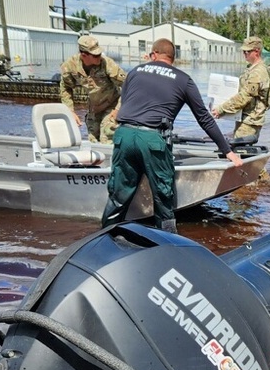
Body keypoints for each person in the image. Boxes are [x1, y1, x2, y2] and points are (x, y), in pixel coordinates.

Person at [101, 38, 243, 233]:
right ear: (173, 59)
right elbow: (204, 118)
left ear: (153, 55)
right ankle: (168, 243)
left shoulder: (134, 72)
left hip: (123, 135)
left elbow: (126, 104)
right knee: (163, 198)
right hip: (152, 141)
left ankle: (104, 238)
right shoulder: (183, 79)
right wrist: (227, 151)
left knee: (118, 196)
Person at [59, 35, 126, 144]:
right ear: (84, 55)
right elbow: (66, 87)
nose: (99, 57)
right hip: (94, 108)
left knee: (107, 135)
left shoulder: (107, 64)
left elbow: (128, 85)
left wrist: (118, 110)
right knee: (93, 139)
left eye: (100, 53)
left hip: (112, 105)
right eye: (96, 55)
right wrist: (70, 111)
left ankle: (111, 159)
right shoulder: (70, 66)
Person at [212, 36, 270, 142]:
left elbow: (244, 97)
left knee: (240, 152)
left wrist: (221, 109)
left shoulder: (257, 72)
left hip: (250, 121)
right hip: (246, 119)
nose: (244, 54)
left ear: (257, 51)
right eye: (244, 51)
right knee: (240, 150)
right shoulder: (253, 69)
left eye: (247, 51)